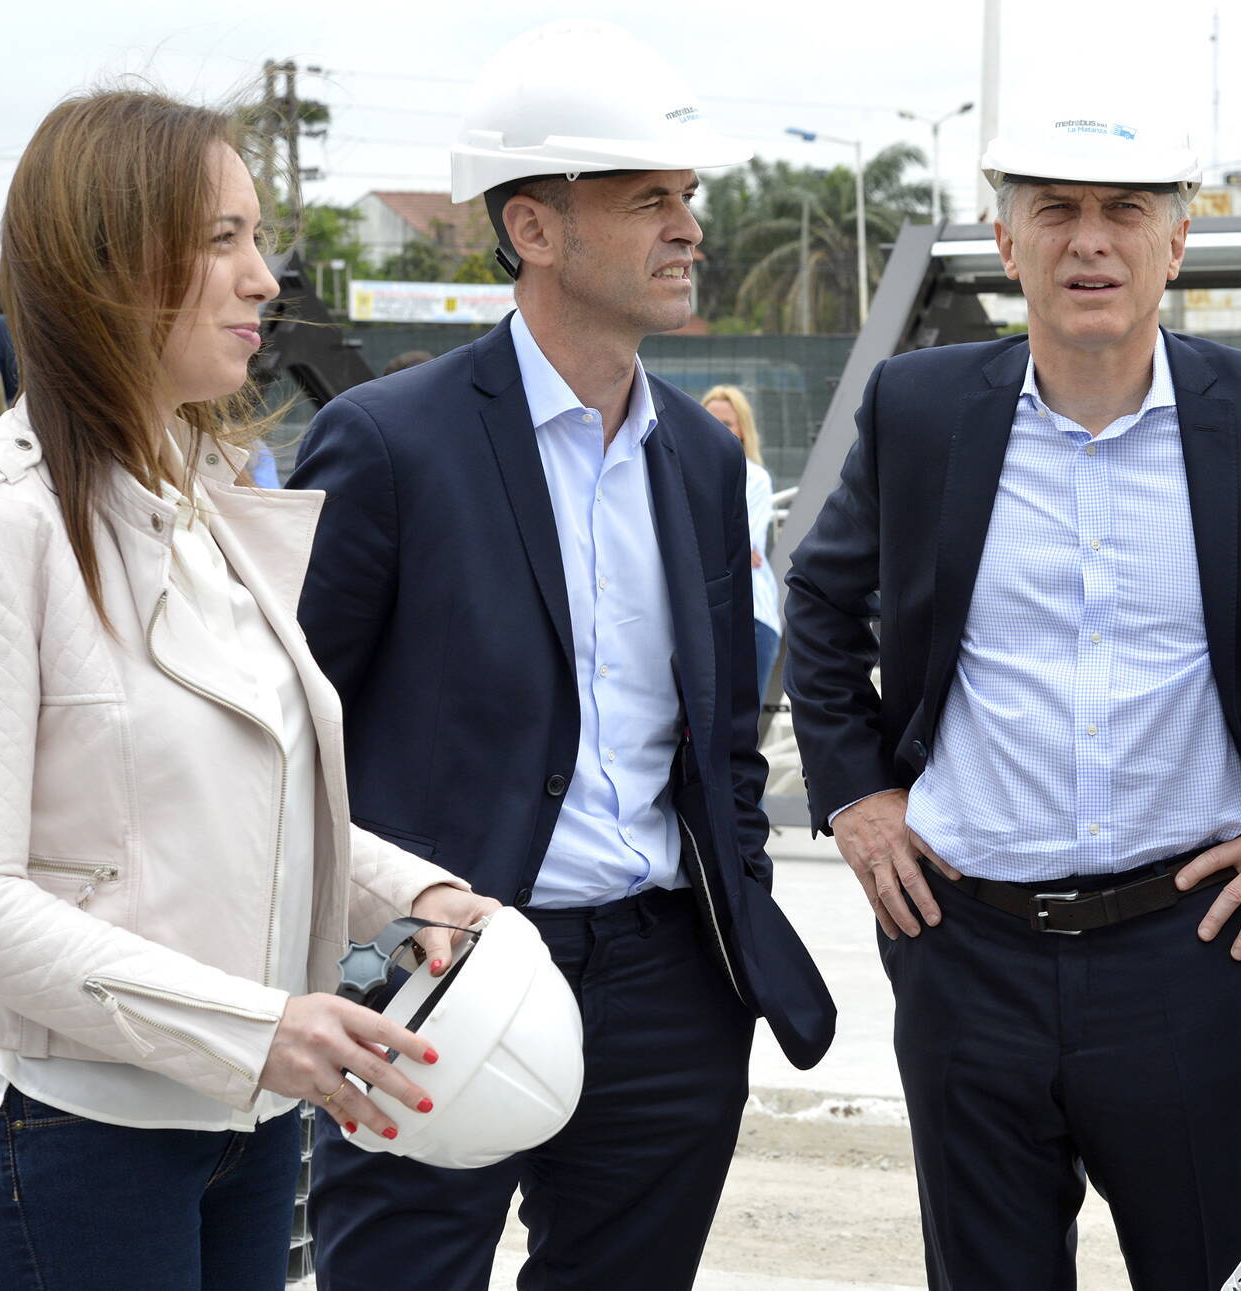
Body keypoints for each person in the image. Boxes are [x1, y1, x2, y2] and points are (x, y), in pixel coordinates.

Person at [784, 111, 1241, 1290]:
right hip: (963, 950)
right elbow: (818, 598)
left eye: (1123, 211)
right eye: (1053, 210)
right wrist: (855, 795)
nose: (1088, 241)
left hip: (1195, 950)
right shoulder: (917, 408)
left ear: (1177, 242)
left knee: (1218, 1274)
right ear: (1006, 244)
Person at [288, 22, 834, 1291]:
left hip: (663, 984)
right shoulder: (385, 447)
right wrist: (368, 936)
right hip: (436, 971)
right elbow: (289, 738)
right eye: (648, 198)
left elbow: (722, 743)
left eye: (686, 197)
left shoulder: (700, 461)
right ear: (532, 228)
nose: (688, 227)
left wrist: (726, 931)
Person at [0, 88, 497, 1291]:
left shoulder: (199, 511)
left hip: (245, 1125)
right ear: (107, 258)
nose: (265, 277)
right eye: (221, 239)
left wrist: (414, 892)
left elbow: (241, 803)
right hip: (72, 1134)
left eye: (257, 237)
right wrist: (258, 1024)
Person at [701, 383, 781, 695]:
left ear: (742, 430)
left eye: (726, 424)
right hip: (705, 620)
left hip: (751, 620)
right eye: (708, 421)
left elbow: (736, 547)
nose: (715, 431)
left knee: (740, 735)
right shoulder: (681, 473)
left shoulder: (755, 478)